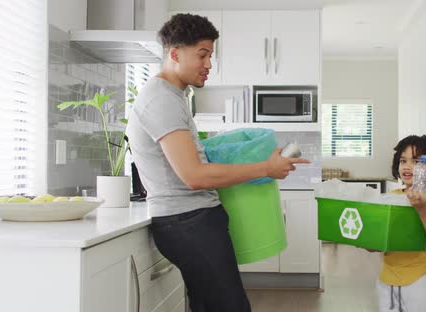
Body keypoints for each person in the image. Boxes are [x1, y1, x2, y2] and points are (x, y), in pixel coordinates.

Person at [125, 13, 310, 312]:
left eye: (210, 55)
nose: (209, 64)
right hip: (187, 223)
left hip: (192, 220)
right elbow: (194, 175)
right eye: (202, 55)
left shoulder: (172, 96)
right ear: (174, 53)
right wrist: (266, 169)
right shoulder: (160, 99)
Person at [376, 135, 426, 312]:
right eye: (403, 161)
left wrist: (422, 210)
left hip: (420, 278)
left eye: (417, 161)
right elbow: (383, 240)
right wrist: (368, 242)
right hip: (387, 278)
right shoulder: (392, 197)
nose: (408, 166)